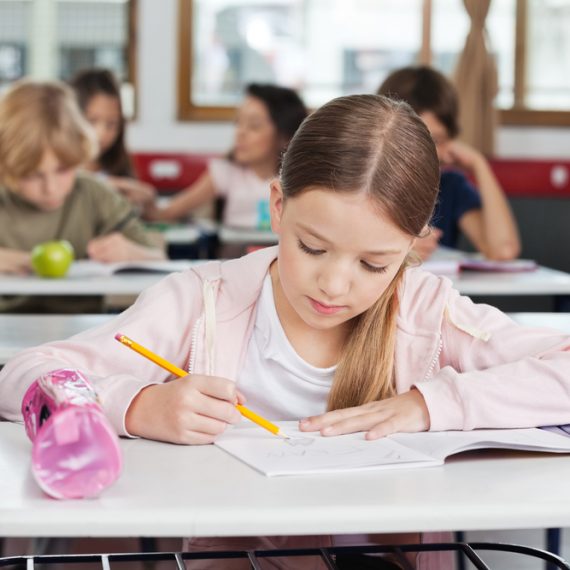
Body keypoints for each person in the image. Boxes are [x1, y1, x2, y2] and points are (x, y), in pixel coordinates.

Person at [2, 94, 570, 570]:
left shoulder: (426, 311)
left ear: (417, 242)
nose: (334, 284)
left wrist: (432, 403)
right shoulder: (201, 300)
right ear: (277, 206)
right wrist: (136, 405)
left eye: (375, 264)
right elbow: (23, 375)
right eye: (312, 247)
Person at [0, 79, 165, 311]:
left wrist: (131, 252)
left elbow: (160, 260)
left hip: (80, 334)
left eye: (62, 170)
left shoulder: (95, 195)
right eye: (32, 175)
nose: (51, 188)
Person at [378, 65, 521, 261]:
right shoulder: (364, 179)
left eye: (438, 141)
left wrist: (479, 165)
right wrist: (398, 246)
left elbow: (503, 251)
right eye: (420, 138)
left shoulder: (450, 186)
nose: (429, 151)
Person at [144, 83, 307, 229]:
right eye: (238, 123)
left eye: (254, 126)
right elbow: (167, 213)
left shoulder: (301, 180)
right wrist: (146, 200)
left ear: (286, 136)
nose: (240, 133)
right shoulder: (225, 172)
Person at [70, 68, 155, 207]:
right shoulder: (60, 169)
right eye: (91, 121)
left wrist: (145, 202)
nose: (101, 133)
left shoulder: (118, 167)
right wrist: (106, 186)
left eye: (112, 124)